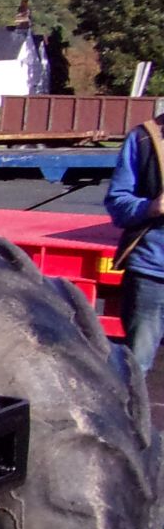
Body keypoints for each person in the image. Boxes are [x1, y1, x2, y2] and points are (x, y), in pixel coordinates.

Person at [106, 115, 164, 375]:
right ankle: (127, 415)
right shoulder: (143, 139)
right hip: (152, 271)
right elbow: (117, 203)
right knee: (136, 367)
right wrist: (150, 207)